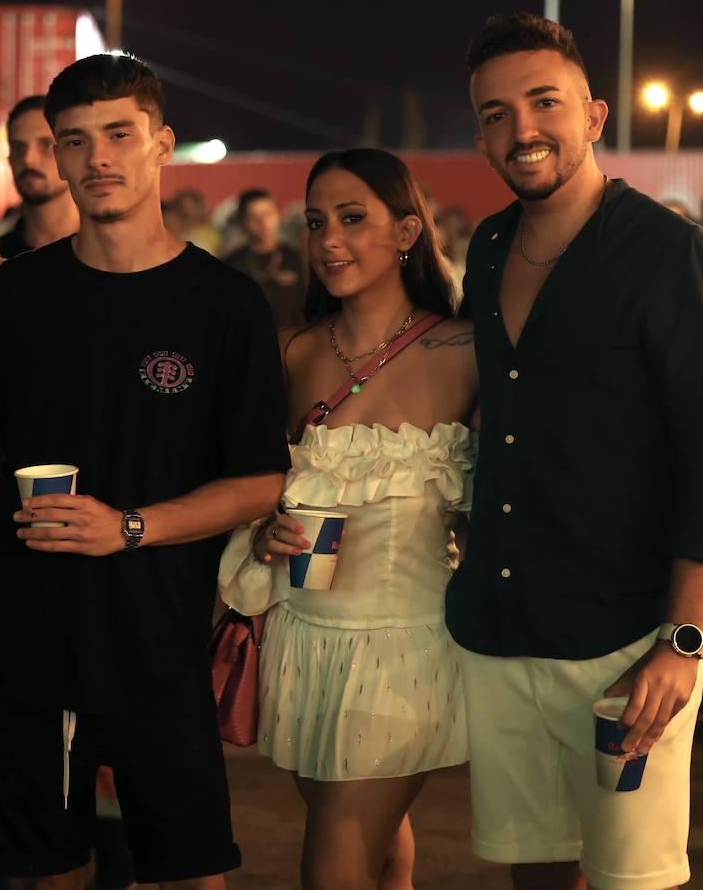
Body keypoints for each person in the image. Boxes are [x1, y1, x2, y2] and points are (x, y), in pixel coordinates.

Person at [0, 51, 288, 890]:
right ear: (57, 157)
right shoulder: (17, 294)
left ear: (161, 144)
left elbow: (259, 481)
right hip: (30, 644)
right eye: (76, 141)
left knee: (187, 871)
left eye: (118, 134)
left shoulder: (225, 303)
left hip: (159, 646)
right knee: (40, 872)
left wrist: (129, 528)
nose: (98, 157)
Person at [449, 13, 703, 890]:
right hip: (502, 631)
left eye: (543, 103)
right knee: (531, 871)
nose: (522, 131)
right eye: (496, 114)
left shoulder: (676, 258)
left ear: (592, 115)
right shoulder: (490, 247)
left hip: (626, 644)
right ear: (479, 133)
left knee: (634, 878)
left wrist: (685, 640)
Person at [223, 149, 476, 890]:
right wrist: (261, 532)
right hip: (304, 640)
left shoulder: (468, 352)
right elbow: (250, 484)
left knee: (334, 853)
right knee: (375, 837)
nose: (328, 238)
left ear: (406, 231)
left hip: (408, 645)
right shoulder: (291, 352)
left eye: (352, 218)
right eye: (315, 222)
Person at [0, 94, 80, 258]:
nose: (28, 160)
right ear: (10, 159)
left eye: (46, 144)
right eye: (19, 148)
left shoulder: (107, 252)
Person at [222, 189, 306, 328]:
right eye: (253, 216)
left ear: (278, 215)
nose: (262, 222)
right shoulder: (231, 264)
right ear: (243, 221)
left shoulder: (296, 258)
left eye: (267, 214)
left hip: (293, 341)